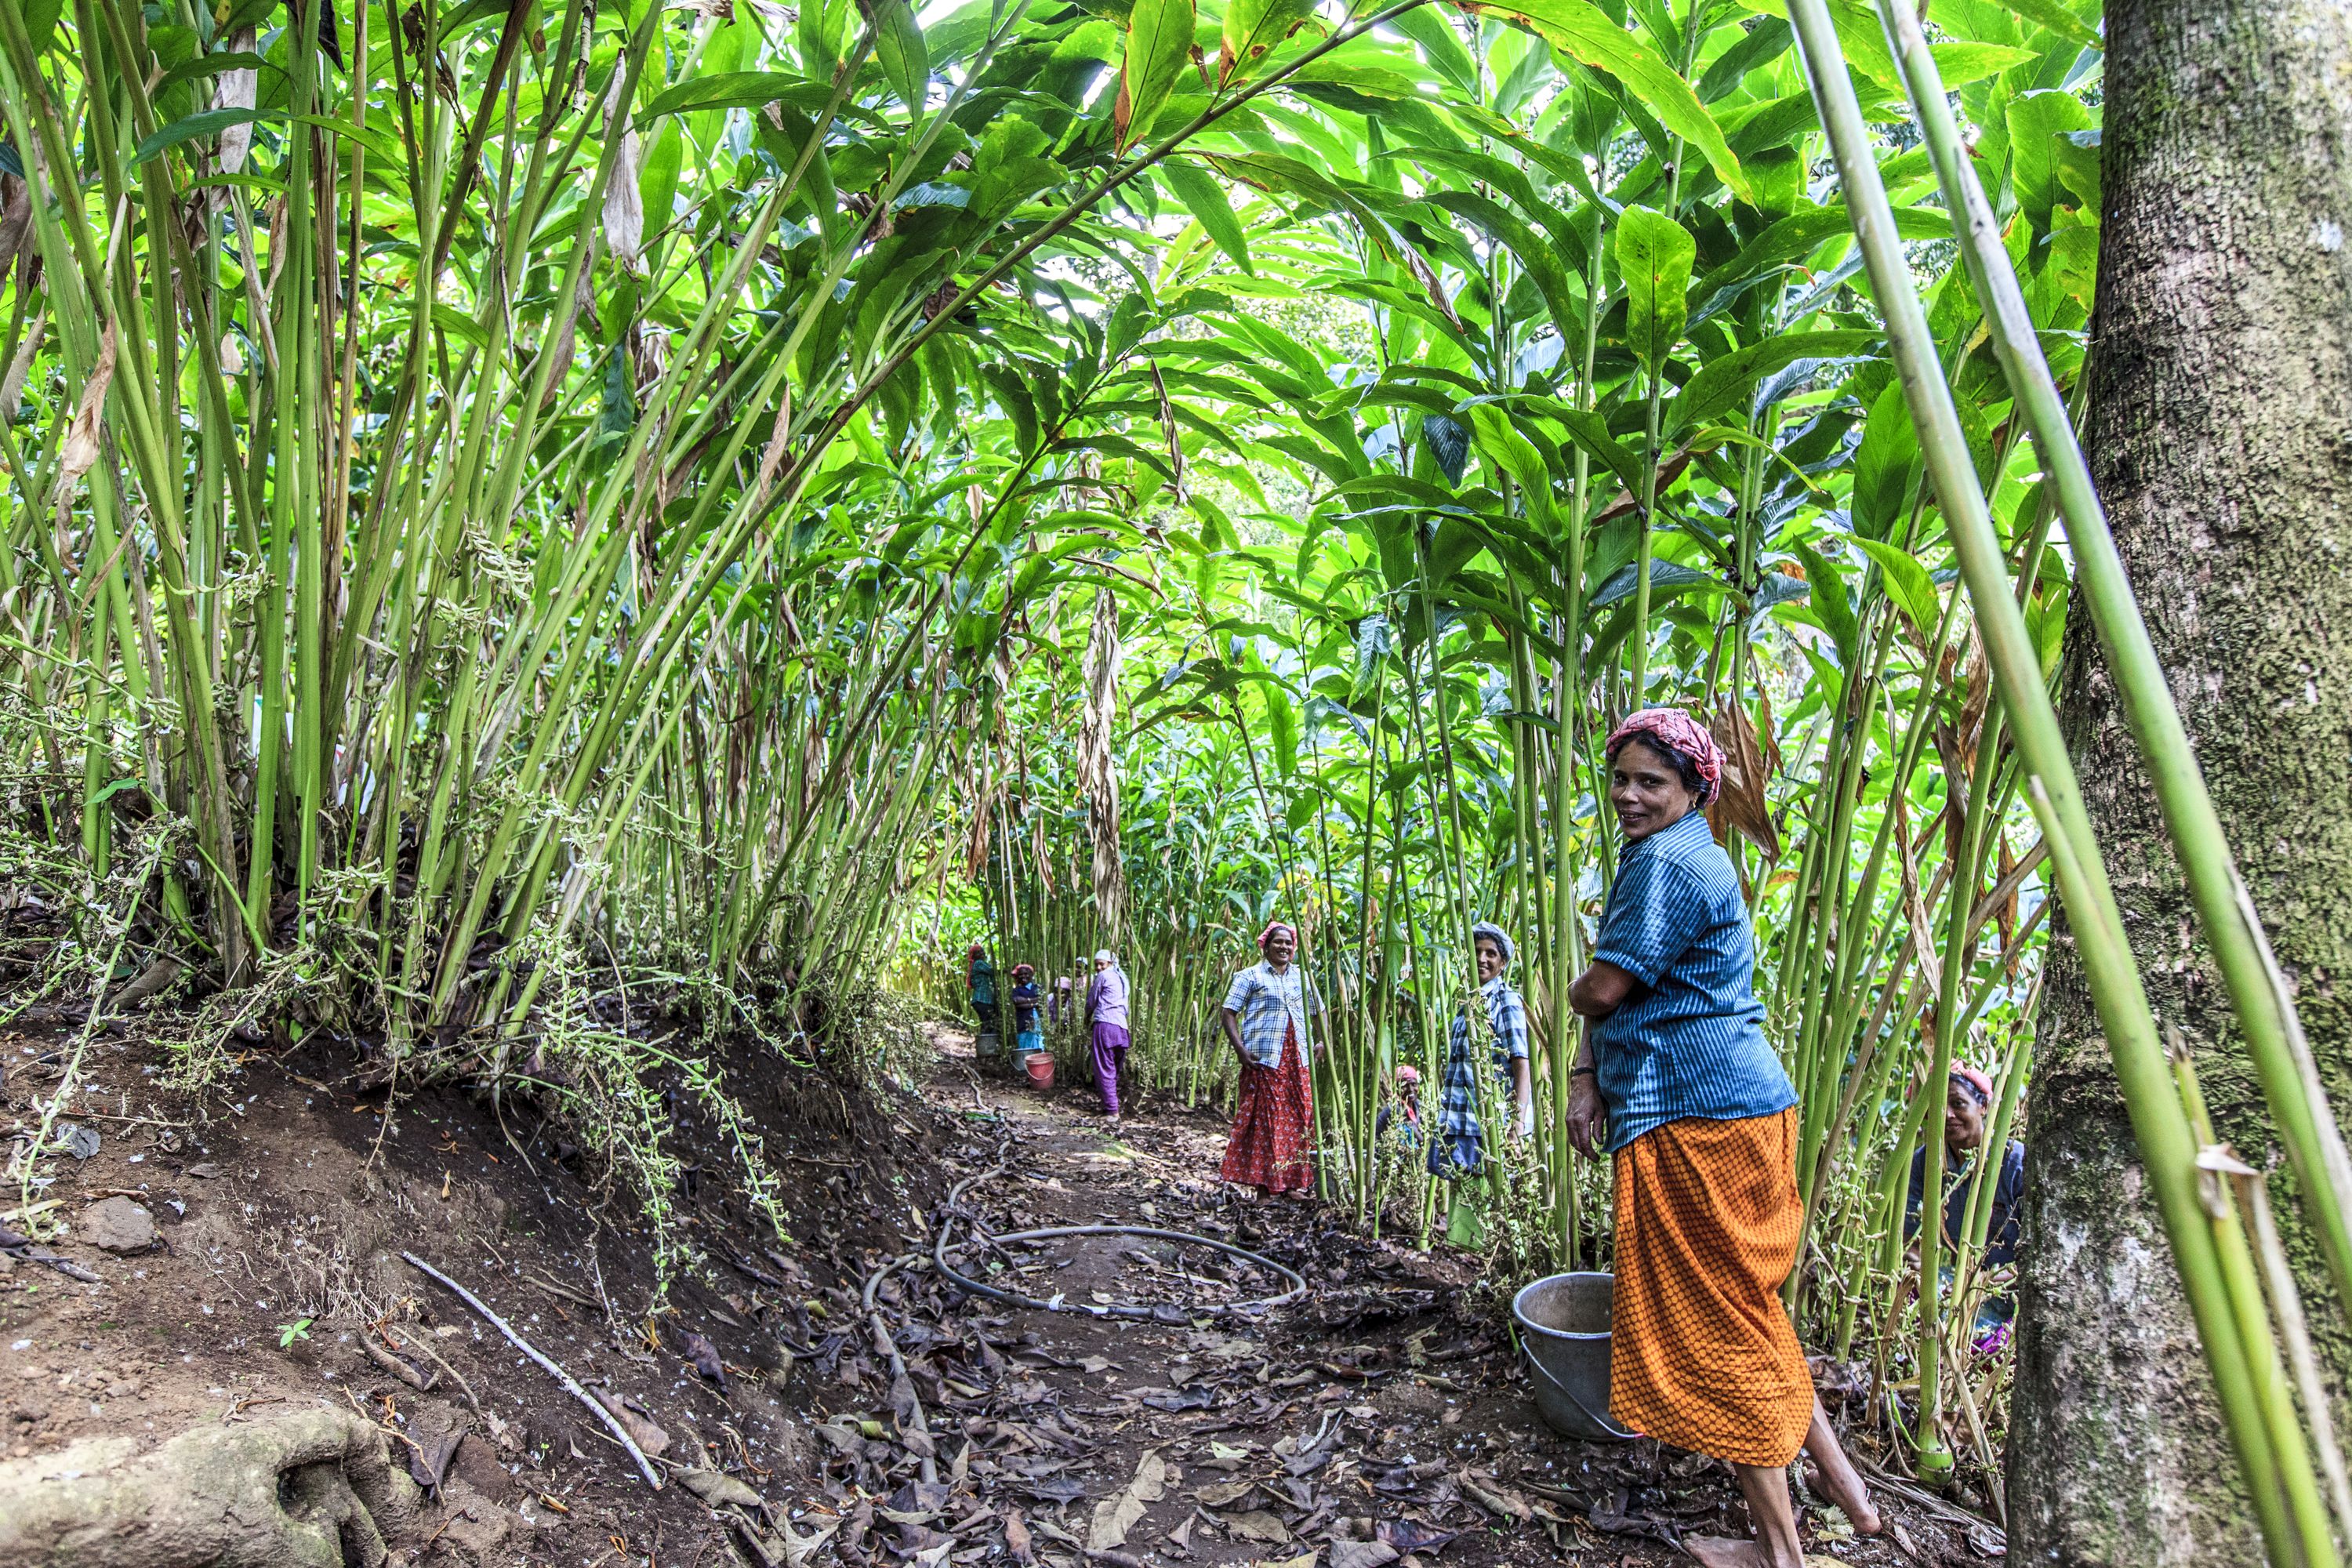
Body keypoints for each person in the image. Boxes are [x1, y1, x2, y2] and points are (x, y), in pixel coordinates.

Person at [1564, 708, 1878, 1568]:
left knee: (1718, 1326)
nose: (1630, 794)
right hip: (1736, 1108)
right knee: (1748, 1306)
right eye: (1621, 777)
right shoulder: (1685, 851)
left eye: (1651, 782)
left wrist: (1572, 999)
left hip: (1698, 1119)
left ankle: (1780, 1550)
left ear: (1696, 788)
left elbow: (1604, 986)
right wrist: (1588, 1074)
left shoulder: (1666, 860)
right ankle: (1847, 1491)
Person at [1906, 1062, 2026, 1347]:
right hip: (1957, 1291)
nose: (1947, 1114)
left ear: (1983, 1106)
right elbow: (1911, 1246)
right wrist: (1929, 1289)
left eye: (1958, 1103)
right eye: (1937, 1105)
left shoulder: (2015, 1162)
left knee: (1992, 1345)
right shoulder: (1924, 1164)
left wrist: (1980, 1285)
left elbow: (2035, 1262)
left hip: (2011, 1294)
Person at [1219, 920, 1323, 1200]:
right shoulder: (1249, 976)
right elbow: (1228, 1012)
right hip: (1265, 1060)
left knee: (1299, 1118)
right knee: (1266, 1122)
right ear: (1266, 945)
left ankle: (1290, 1185)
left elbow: (1319, 1011)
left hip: (1298, 1060)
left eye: (1289, 943)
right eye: (1278, 942)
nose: (1284, 947)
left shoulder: (1302, 977)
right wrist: (1240, 1049)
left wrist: (1322, 1042)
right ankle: (1264, 1188)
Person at [1429, 921, 1537, 1178]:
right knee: (1463, 1199)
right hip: (1459, 1124)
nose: (1482, 958)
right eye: (1477, 951)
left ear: (1502, 963)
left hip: (1486, 1127)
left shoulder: (1505, 1000)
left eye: (1491, 953)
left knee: (1479, 1204)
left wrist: (1517, 1128)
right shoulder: (1467, 1003)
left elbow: (1521, 1065)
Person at [1086, 949, 1131, 1129]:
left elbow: (1091, 1001)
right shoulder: (1123, 979)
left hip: (1104, 1026)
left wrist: (1085, 1017)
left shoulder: (1104, 976)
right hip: (1122, 1028)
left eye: (1101, 964)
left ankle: (1112, 1111)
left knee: (1104, 1068)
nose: (1098, 968)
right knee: (1113, 1068)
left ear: (1110, 964)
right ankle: (1109, 1103)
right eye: (1096, 964)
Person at [1010, 964, 1044, 1062]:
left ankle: (1037, 1067)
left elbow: (1041, 1000)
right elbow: (1017, 1002)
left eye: (1026, 974)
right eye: (1021, 974)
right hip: (1023, 1023)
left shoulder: (1037, 988)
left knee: (1038, 1043)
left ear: (1031, 975)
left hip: (1038, 1023)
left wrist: (1026, 1001)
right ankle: (1024, 1068)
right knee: (1024, 1044)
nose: (1023, 976)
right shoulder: (1017, 990)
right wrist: (1034, 1002)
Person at [967, 945, 1000, 1042]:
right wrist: (1008, 970)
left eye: (982, 951)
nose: (982, 954)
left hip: (981, 1001)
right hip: (982, 1000)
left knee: (987, 1024)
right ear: (973, 956)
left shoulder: (978, 964)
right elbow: (993, 971)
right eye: (978, 952)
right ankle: (986, 1048)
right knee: (988, 1024)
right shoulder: (979, 963)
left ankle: (985, 1048)